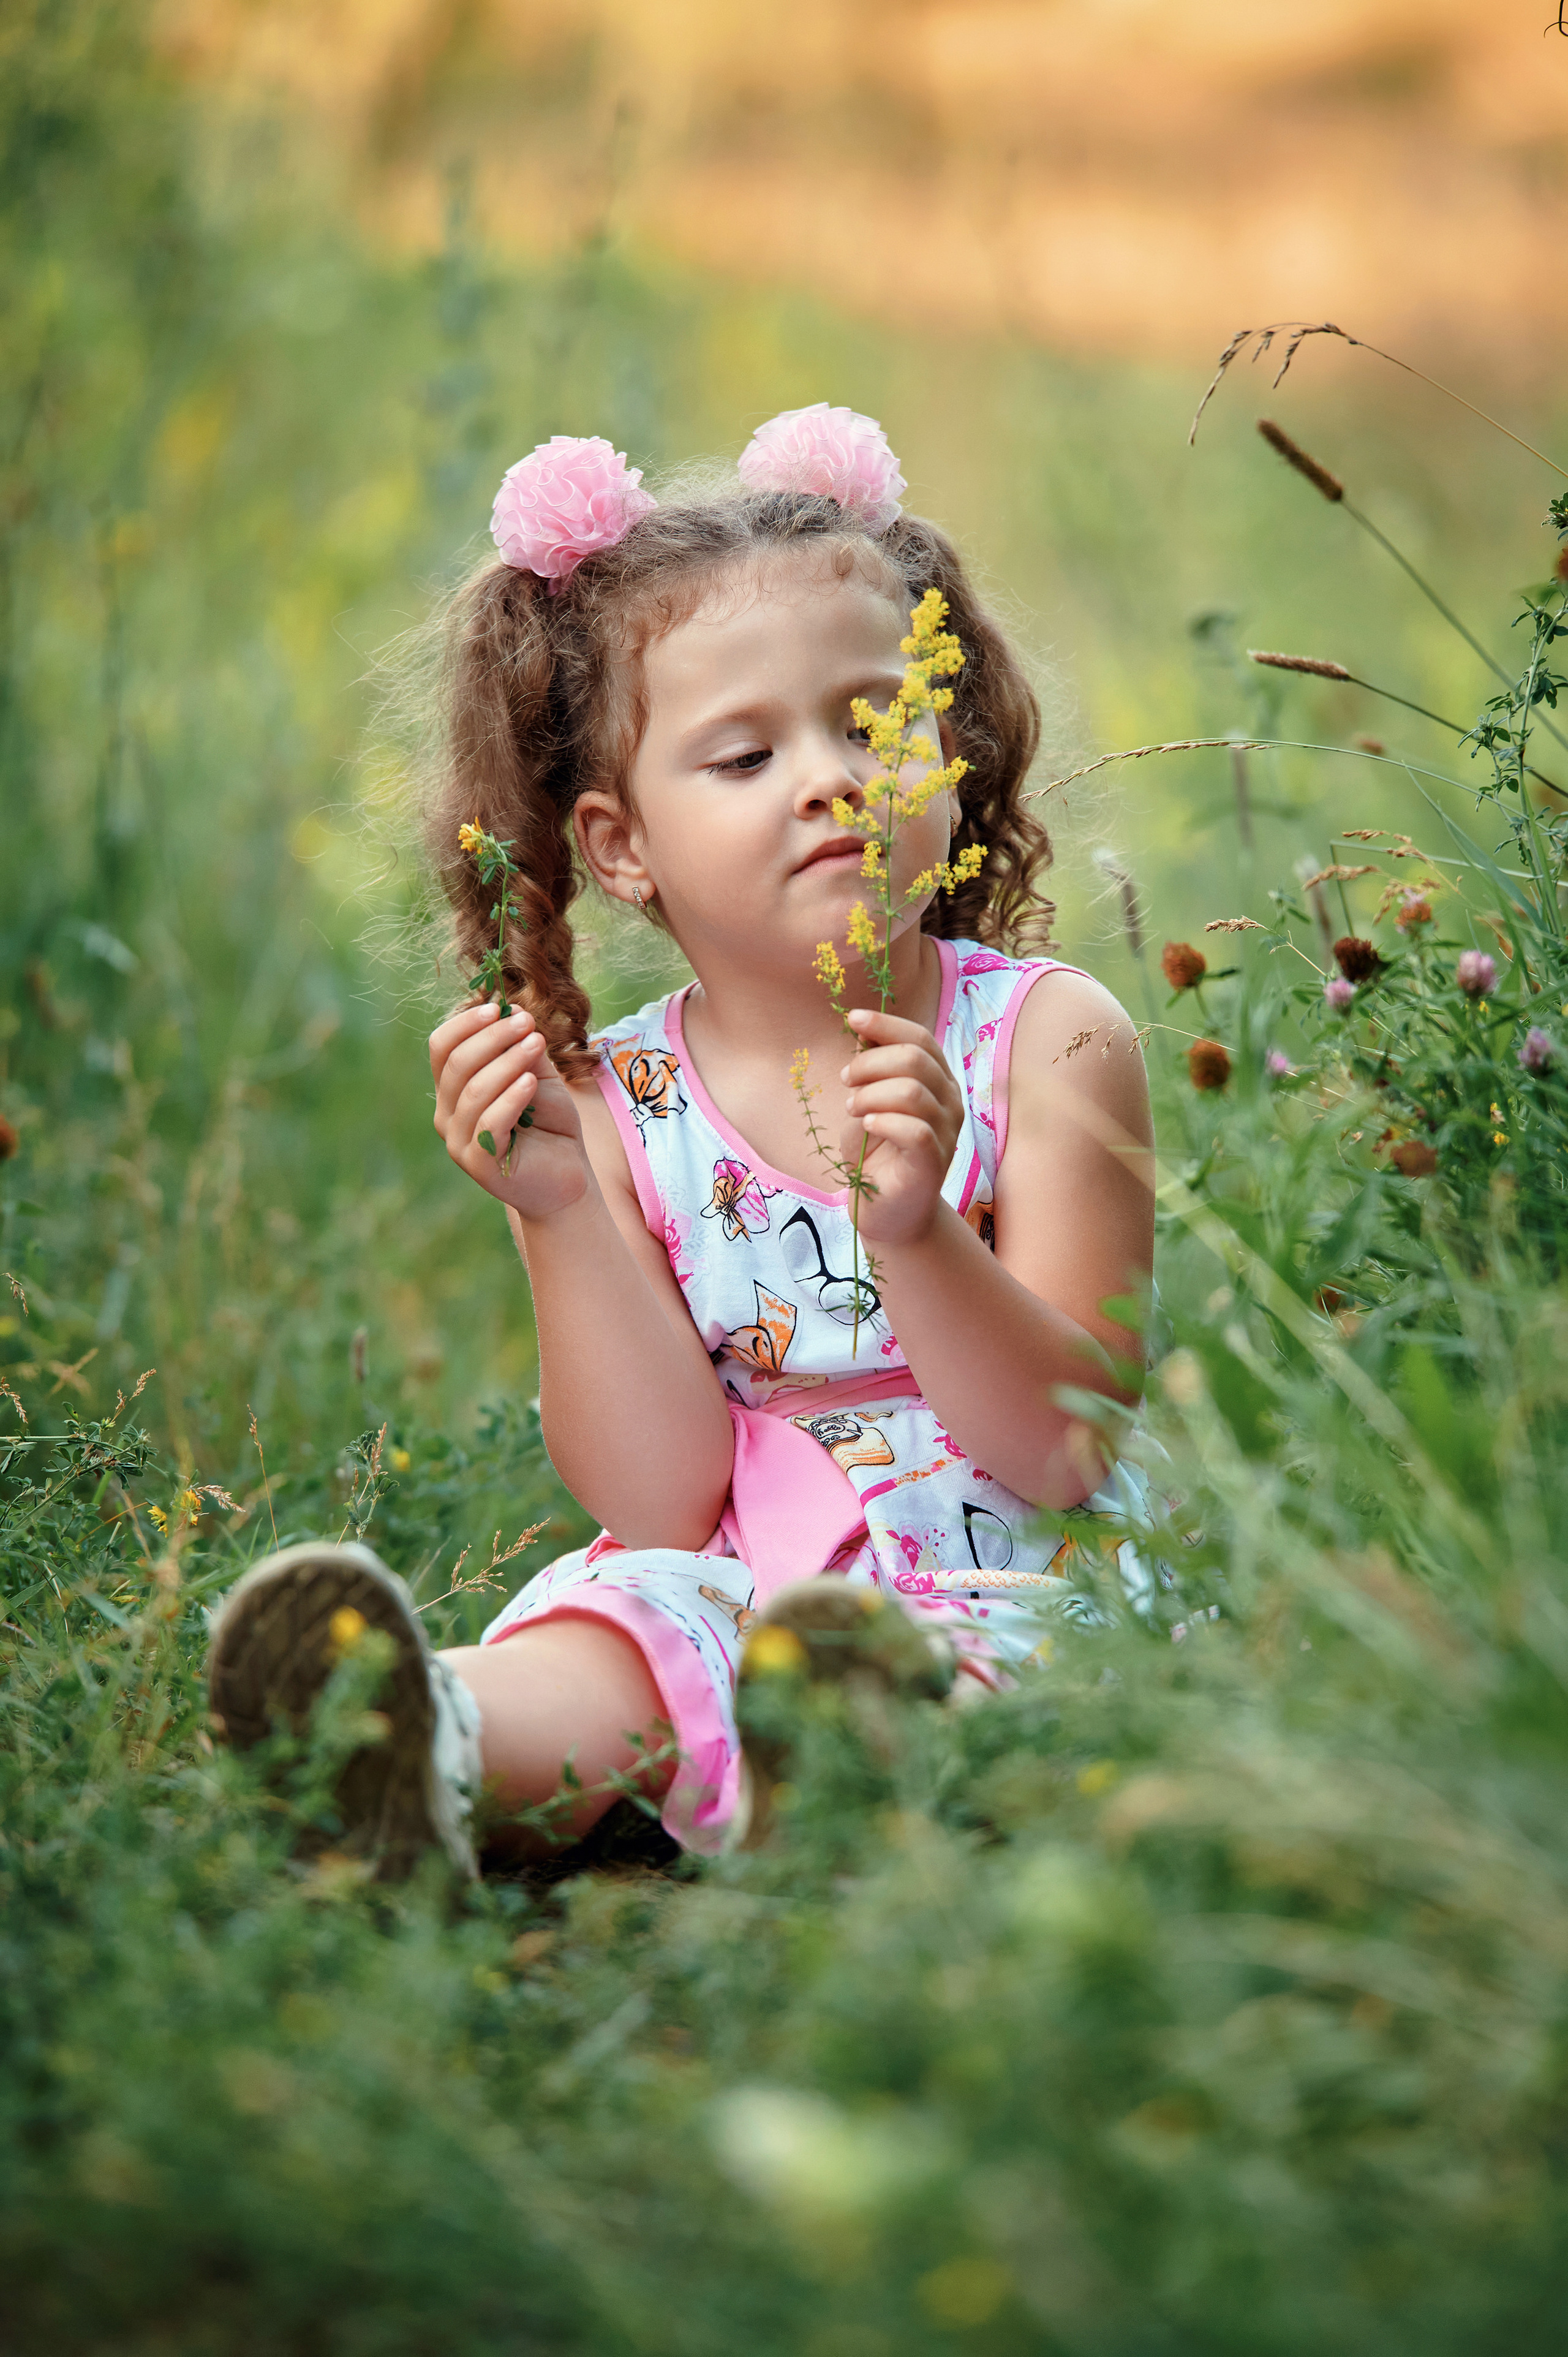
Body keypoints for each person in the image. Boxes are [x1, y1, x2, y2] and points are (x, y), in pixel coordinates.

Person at [207, 405, 1155, 1877]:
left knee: (981, 1683)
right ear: (620, 847)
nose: (828, 777)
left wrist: (915, 1235)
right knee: (623, 1642)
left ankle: (856, 1757)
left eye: (873, 722)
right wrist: (556, 1210)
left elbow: (1063, 1447)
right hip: (740, 1574)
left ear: (949, 754)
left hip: (1013, 1570)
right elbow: (660, 1496)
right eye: (744, 755)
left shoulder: (1050, 1038)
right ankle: (408, 1738)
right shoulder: (614, 1103)